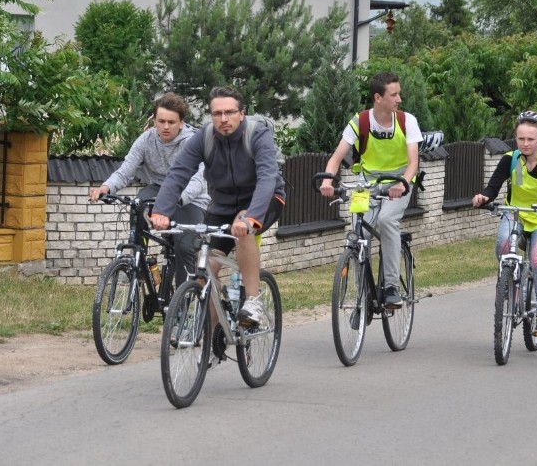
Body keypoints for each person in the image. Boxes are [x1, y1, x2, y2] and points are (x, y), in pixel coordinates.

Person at [149, 86, 286, 325]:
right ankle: (212, 339)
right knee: (205, 270)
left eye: (229, 112)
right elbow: (178, 174)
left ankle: (253, 300)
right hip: (222, 205)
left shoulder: (257, 134)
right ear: (211, 116)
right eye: (217, 113)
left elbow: (267, 178)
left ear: (241, 113)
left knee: (243, 227)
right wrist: (161, 210)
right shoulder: (204, 137)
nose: (223, 119)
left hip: (264, 199)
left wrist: (251, 217)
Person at [319, 71, 423, 308]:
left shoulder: (407, 121)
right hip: (367, 184)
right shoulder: (360, 121)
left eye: (399, 94)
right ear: (378, 97)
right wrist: (327, 180)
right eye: (394, 94)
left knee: (387, 220)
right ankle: (362, 293)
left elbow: (413, 162)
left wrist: (402, 183)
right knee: (359, 234)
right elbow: (337, 156)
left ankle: (390, 287)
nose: (399, 99)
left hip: (399, 182)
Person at [88, 92, 210, 284]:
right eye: (161, 121)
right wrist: (106, 187)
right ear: (154, 120)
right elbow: (125, 171)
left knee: (184, 246)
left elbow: (198, 180)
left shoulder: (192, 142)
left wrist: (175, 200)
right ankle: (139, 263)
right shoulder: (146, 140)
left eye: (171, 122)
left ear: (181, 122)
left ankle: (182, 302)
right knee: (138, 205)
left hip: (190, 198)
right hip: (159, 189)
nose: (166, 126)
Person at [472, 111, 537, 336]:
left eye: (530, 139)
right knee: (502, 245)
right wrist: (484, 197)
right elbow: (493, 187)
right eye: (521, 138)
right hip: (516, 213)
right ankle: (509, 281)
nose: (525, 143)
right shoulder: (510, 159)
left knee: (536, 258)